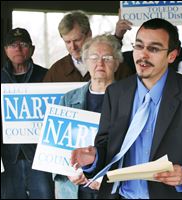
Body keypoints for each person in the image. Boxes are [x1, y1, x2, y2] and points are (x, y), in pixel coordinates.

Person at [70, 18, 182, 199]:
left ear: (172, 55)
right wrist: (93, 159)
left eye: (153, 49)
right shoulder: (116, 93)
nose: (143, 55)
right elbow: (106, 147)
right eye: (139, 46)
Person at [53, 34, 123, 199]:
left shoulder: (129, 98)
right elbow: (55, 145)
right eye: (93, 57)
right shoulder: (69, 99)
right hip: (74, 187)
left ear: (117, 62)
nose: (100, 63)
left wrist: (103, 176)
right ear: (85, 62)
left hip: (112, 188)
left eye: (107, 57)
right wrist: (69, 172)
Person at [1, 28, 54, 199]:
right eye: (13, 45)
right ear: (5, 49)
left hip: (40, 154)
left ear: (32, 49)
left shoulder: (47, 76)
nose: (18, 48)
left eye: (23, 44)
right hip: (8, 155)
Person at [43, 10, 133, 82]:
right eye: (67, 42)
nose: (73, 47)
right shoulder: (56, 72)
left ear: (89, 34)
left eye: (77, 40)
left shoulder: (117, 66)